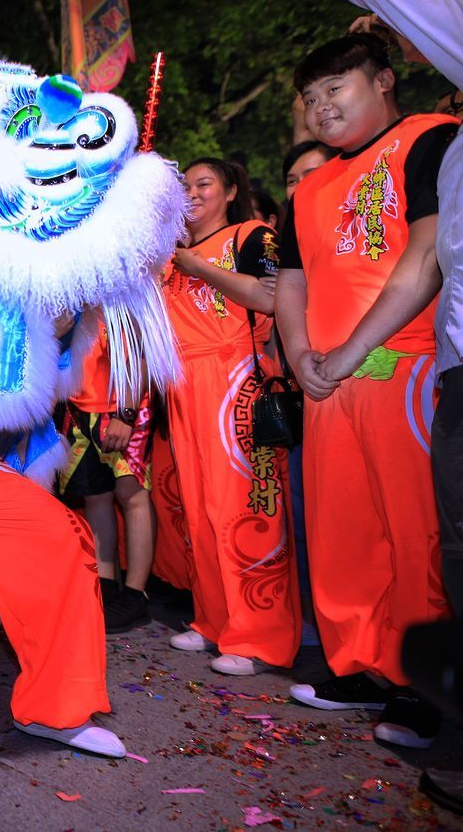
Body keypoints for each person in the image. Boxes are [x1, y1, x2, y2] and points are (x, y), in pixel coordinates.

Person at [275, 31, 457, 746]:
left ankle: (423, 684)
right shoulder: (311, 185)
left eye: (336, 89)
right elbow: (290, 280)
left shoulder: (432, 139)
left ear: (384, 80)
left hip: (402, 372)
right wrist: (299, 354)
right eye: (311, 98)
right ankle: (356, 662)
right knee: (342, 530)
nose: (321, 108)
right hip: (326, 383)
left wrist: (350, 350)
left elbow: (427, 253)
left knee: (416, 536)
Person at [160, 157, 300, 676]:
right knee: (197, 509)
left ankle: (261, 636)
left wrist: (202, 270)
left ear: (231, 190)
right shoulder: (172, 256)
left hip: (236, 377)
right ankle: (215, 620)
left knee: (243, 507)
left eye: (204, 185)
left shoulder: (252, 234)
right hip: (184, 385)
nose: (192, 195)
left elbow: (270, 296)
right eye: (184, 188)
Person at [56, 319, 155, 632]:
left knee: (132, 495)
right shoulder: (74, 294)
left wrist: (126, 415)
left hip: (121, 409)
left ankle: (136, 594)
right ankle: (106, 583)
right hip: (80, 407)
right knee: (95, 496)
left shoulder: (124, 292)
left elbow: (139, 354)